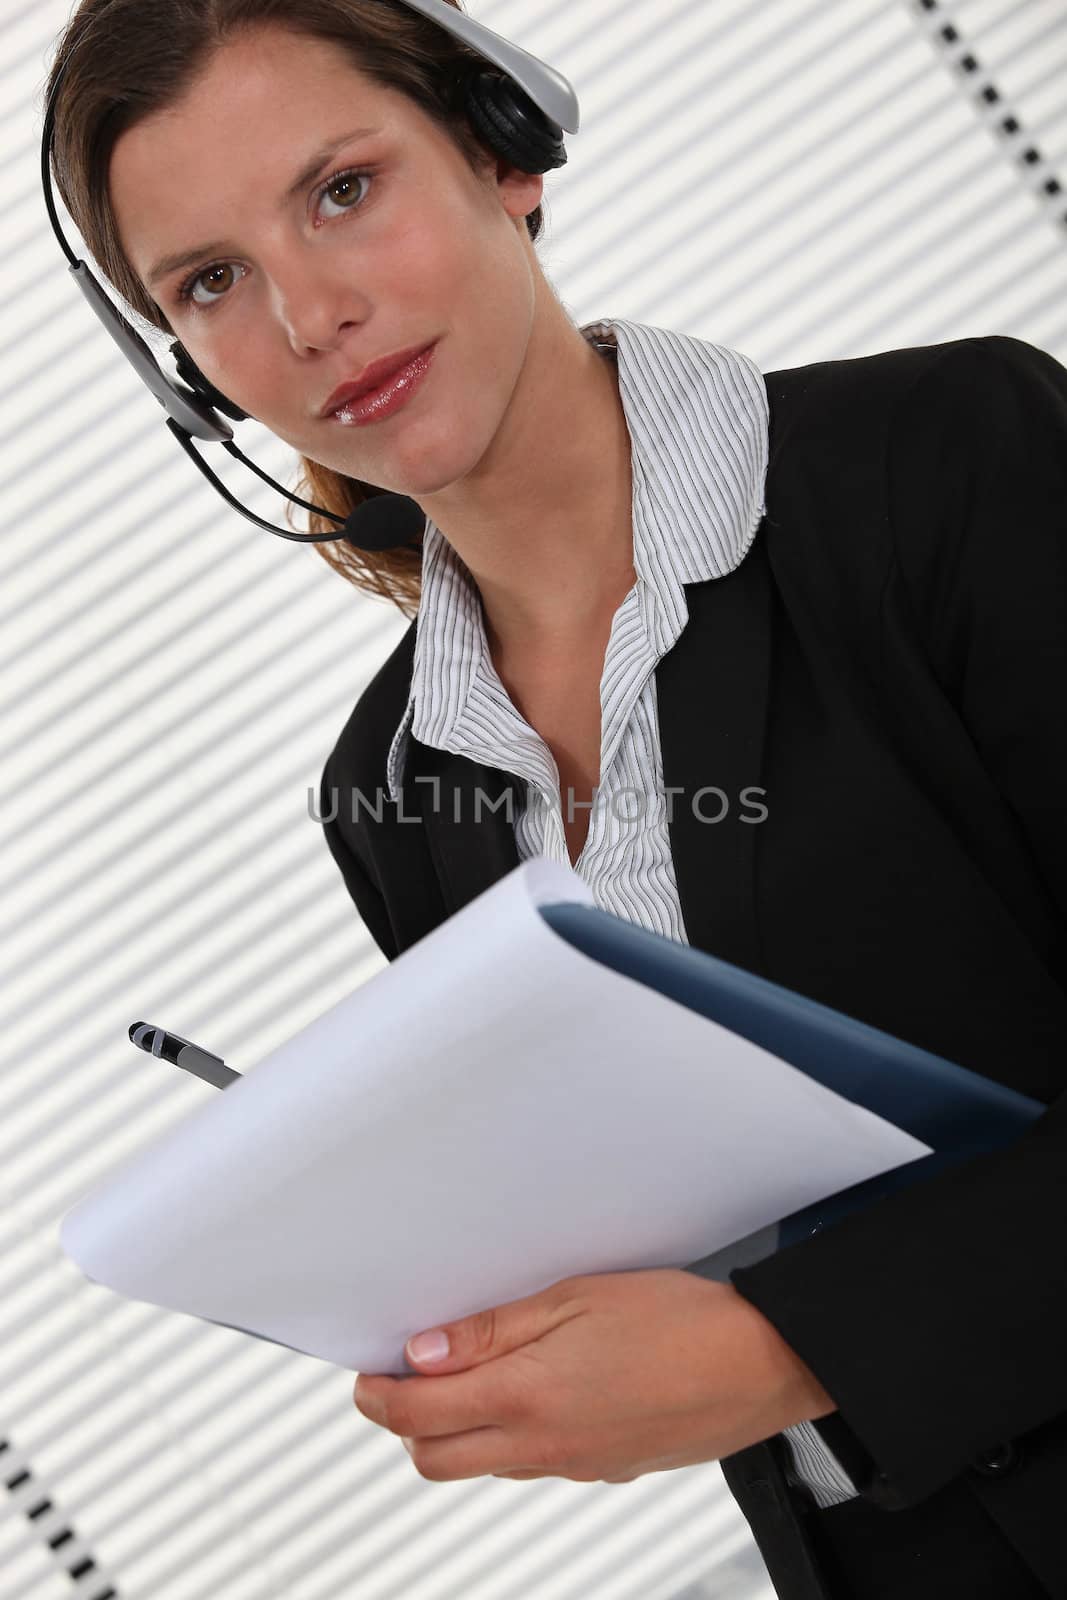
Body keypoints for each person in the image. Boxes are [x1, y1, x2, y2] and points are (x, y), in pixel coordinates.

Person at [46, 1, 1067, 1596]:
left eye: (340, 190)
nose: (309, 315)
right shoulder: (397, 790)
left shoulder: (942, 465)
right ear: (196, 375)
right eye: (212, 281)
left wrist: (789, 1348)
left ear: (500, 151)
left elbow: (778, 1334)